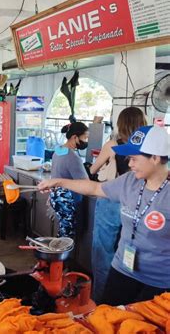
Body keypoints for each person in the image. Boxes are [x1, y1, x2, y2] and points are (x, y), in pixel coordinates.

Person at [38, 125, 170, 306]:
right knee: (107, 317)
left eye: (134, 159)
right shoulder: (130, 181)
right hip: (122, 270)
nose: (129, 163)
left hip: (158, 281)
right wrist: (58, 181)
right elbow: (95, 188)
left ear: (155, 158)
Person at [89, 107, 147, 303]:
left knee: (103, 252)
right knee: (129, 252)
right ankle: (128, 303)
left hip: (111, 201)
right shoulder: (148, 147)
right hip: (138, 203)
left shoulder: (113, 144)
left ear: (120, 124)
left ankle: (101, 302)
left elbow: (93, 169)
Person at [49, 122, 89, 238]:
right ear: (74, 137)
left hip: (56, 198)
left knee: (63, 230)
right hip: (68, 201)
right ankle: (61, 255)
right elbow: (85, 183)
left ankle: (58, 253)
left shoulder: (58, 151)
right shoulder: (73, 157)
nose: (86, 141)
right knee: (68, 235)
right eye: (85, 137)